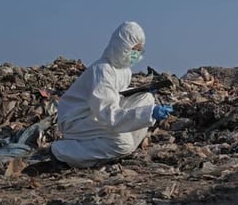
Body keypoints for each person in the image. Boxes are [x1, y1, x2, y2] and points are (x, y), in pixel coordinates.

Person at [50, 21, 174, 168]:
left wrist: (140, 91)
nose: (137, 54)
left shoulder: (124, 71)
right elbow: (108, 114)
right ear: (123, 47)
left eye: (140, 50)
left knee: (146, 98)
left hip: (96, 111)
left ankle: (120, 150)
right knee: (123, 142)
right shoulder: (103, 71)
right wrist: (148, 113)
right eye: (135, 49)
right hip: (76, 120)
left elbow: (115, 96)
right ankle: (62, 152)